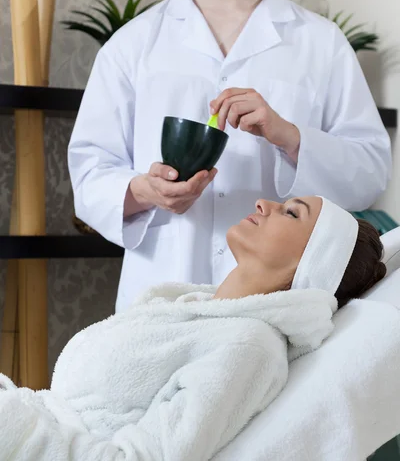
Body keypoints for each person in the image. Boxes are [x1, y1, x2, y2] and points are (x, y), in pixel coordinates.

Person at [67, 0, 391, 313]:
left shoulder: (320, 45)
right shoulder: (132, 48)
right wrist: (144, 191)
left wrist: (289, 138)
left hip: (276, 307)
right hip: (159, 299)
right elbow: (89, 175)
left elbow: (370, 172)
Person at [0, 196, 387, 461]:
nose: (263, 204)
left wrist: (16, 430)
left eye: (291, 213)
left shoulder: (247, 347)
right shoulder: (193, 311)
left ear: (311, 262)